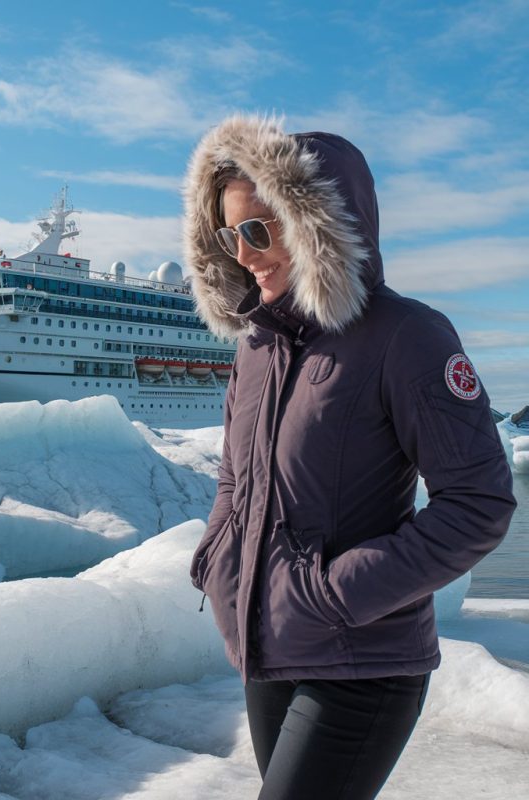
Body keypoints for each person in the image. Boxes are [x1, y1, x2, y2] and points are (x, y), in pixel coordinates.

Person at [184, 115, 516, 800]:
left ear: (317, 225)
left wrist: (336, 594)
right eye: (228, 234)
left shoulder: (409, 336)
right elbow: (234, 481)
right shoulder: (256, 349)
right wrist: (218, 563)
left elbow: (478, 504)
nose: (243, 254)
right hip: (269, 649)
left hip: (364, 662)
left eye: (258, 230)